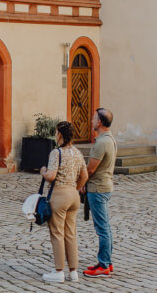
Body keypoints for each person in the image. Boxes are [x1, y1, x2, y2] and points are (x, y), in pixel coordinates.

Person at [40, 121, 88, 283]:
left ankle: (59, 270)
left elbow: (52, 176)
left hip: (59, 195)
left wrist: (43, 171)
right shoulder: (77, 152)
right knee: (71, 233)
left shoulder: (57, 153)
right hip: (73, 196)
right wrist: (76, 188)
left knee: (57, 233)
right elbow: (85, 176)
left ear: (59, 134)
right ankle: (73, 271)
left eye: (56, 132)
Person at [82, 108, 117, 278]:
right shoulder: (108, 139)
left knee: (102, 229)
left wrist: (79, 184)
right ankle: (106, 262)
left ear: (100, 122)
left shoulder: (103, 142)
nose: (91, 120)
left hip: (98, 189)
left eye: (94, 118)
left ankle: (103, 265)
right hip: (104, 187)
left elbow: (90, 169)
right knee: (105, 228)